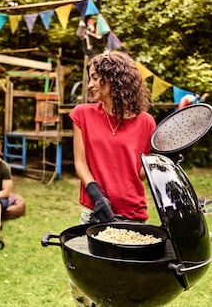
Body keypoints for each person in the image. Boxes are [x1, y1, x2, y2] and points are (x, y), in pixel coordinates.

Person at [69, 50, 156, 306]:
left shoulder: (146, 123)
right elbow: (79, 162)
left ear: (115, 79)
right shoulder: (82, 114)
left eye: (96, 78)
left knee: (124, 289)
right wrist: (96, 195)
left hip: (132, 215)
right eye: (90, 78)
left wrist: (163, 158)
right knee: (82, 289)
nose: (90, 84)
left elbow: (141, 173)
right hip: (93, 213)